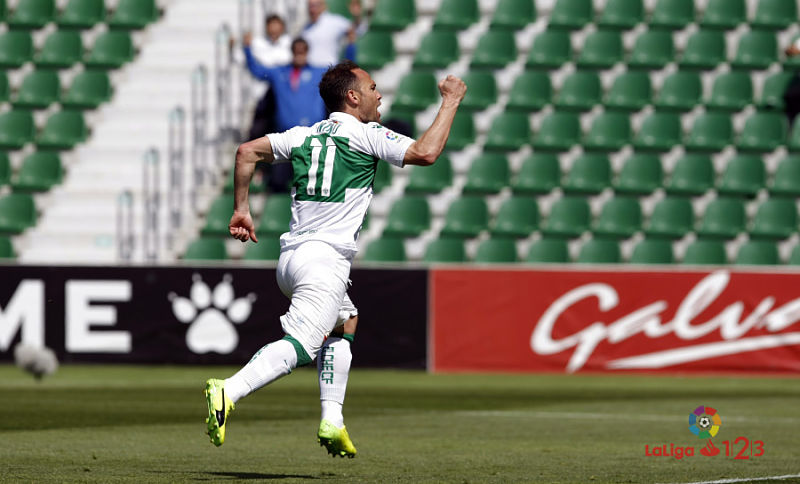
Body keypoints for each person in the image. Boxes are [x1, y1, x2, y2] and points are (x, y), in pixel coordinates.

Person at [203, 61, 467, 457]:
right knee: (303, 346)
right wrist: (450, 101)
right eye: (373, 88)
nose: (380, 96)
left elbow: (246, 152)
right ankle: (229, 390)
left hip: (292, 259)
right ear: (353, 96)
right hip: (323, 262)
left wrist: (242, 208)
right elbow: (425, 153)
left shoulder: (305, 135)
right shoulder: (366, 135)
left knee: (346, 321)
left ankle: (332, 419)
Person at [243, 36, 328, 192]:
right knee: (278, 183)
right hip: (285, 138)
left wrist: (350, 45)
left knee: (313, 185)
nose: (299, 55)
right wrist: (247, 49)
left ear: (308, 52)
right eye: (296, 51)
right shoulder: (279, 72)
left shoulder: (319, 73)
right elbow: (257, 71)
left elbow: (344, 75)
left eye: (303, 51)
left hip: (312, 139)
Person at [233, 14, 293, 141]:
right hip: (263, 94)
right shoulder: (257, 43)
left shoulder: (290, 43)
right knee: (258, 131)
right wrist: (235, 47)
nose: (274, 32)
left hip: (284, 95)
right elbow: (241, 60)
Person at [303, 0, 365, 67]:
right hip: (310, 69)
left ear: (323, 6)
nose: (312, 9)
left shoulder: (334, 21)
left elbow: (357, 30)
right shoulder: (305, 28)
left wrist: (357, 17)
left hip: (329, 68)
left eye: (315, 5)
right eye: (310, 6)